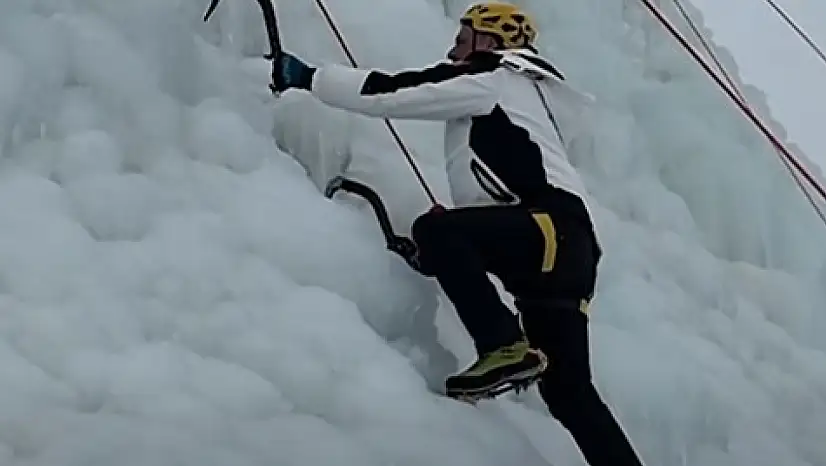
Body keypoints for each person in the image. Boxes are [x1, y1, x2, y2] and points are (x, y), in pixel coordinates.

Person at [269, 2, 645, 465]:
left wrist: (311, 78)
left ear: (490, 42)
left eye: (463, 38)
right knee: (569, 393)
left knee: (438, 228)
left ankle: (501, 344)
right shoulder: (530, 99)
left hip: (547, 228)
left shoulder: (494, 76)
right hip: (569, 249)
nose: (453, 49)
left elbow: (393, 92)